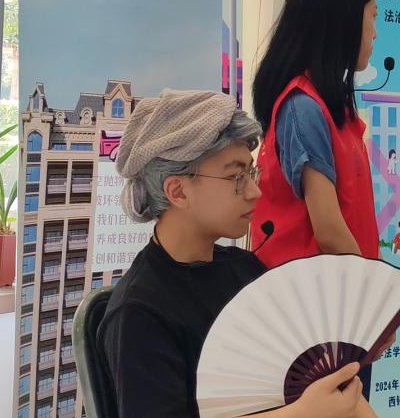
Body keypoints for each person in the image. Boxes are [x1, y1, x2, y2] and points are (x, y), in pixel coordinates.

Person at [97, 90, 375, 418]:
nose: (254, 192)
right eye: (235, 177)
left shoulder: (246, 272)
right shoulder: (140, 312)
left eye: (251, 173)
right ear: (178, 191)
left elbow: (320, 375)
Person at [250, 0, 383, 396]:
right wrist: (376, 307)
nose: (375, 34)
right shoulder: (303, 107)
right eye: (372, 18)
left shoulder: (328, 106)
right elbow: (328, 228)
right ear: (342, 22)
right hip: (313, 316)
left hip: (335, 309)